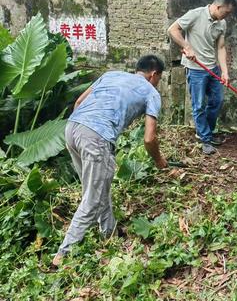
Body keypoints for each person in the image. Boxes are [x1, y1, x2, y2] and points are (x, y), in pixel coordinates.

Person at [52, 55, 168, 267]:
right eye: (159, 78)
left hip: (72, 128)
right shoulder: (151, 92)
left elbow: (79, 102)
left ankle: (110, 233)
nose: (157, 82)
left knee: (96, 188)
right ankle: (62, 255)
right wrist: (160, 162)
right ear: (154, 75)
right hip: (97, 136)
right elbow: (150, 138)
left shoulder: (110, 74)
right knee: (93, 198)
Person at [167, 0, 237, 155]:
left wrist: (225, 72)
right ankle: (205, 139)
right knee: (198, 105)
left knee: (217, 101)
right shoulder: (195, 14)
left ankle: (205, 131)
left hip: (212, 68)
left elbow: (220, 48)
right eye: (226, 12)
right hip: (195, 69)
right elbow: (173, 29)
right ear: (218, 6)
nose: (227, 15)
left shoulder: (222, 23)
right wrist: (187, 46)